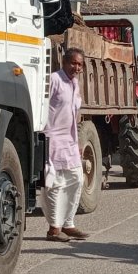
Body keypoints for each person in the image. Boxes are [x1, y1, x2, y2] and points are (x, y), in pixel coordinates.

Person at [41, 48, 90, 242]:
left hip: (70, 141)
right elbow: (42, 106)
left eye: (79, 64)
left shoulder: (75, 83)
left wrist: (77, 140)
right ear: (64, 62)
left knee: (76, 180)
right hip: (52, 138)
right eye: (73, 63)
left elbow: (75, 113)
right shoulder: (54, 79)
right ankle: (54, 228)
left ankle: (68, 224)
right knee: (55, 184)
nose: (76, 67)